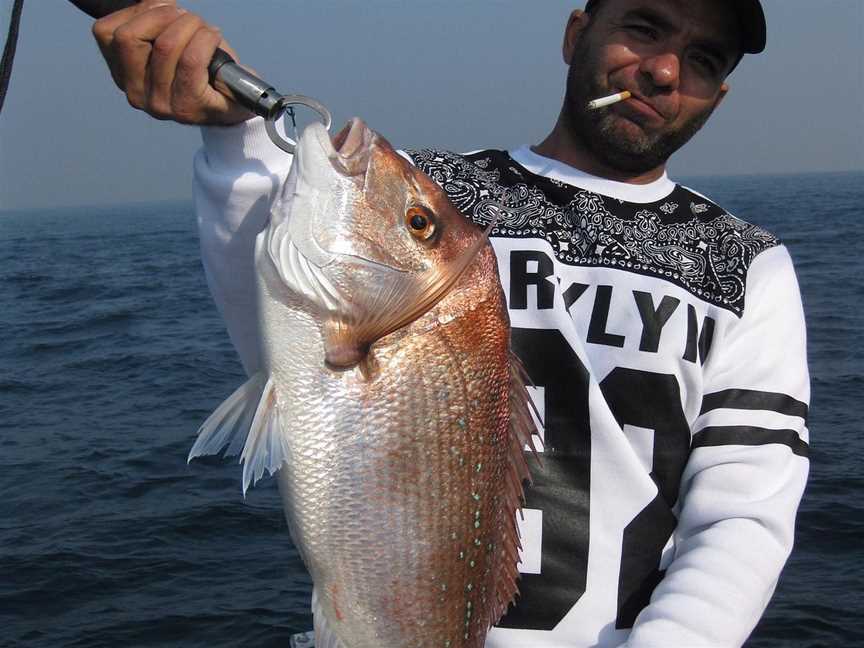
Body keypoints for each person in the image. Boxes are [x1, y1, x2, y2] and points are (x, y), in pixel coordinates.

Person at [93, 0, 810, 646]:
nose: (660, 70)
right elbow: (289, 335)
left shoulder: (746, 264)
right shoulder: (440, 195)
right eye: (643, 26)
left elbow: (742, 518)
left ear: (718, 95)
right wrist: (232, 143)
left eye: (704, 59)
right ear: (577, 32)